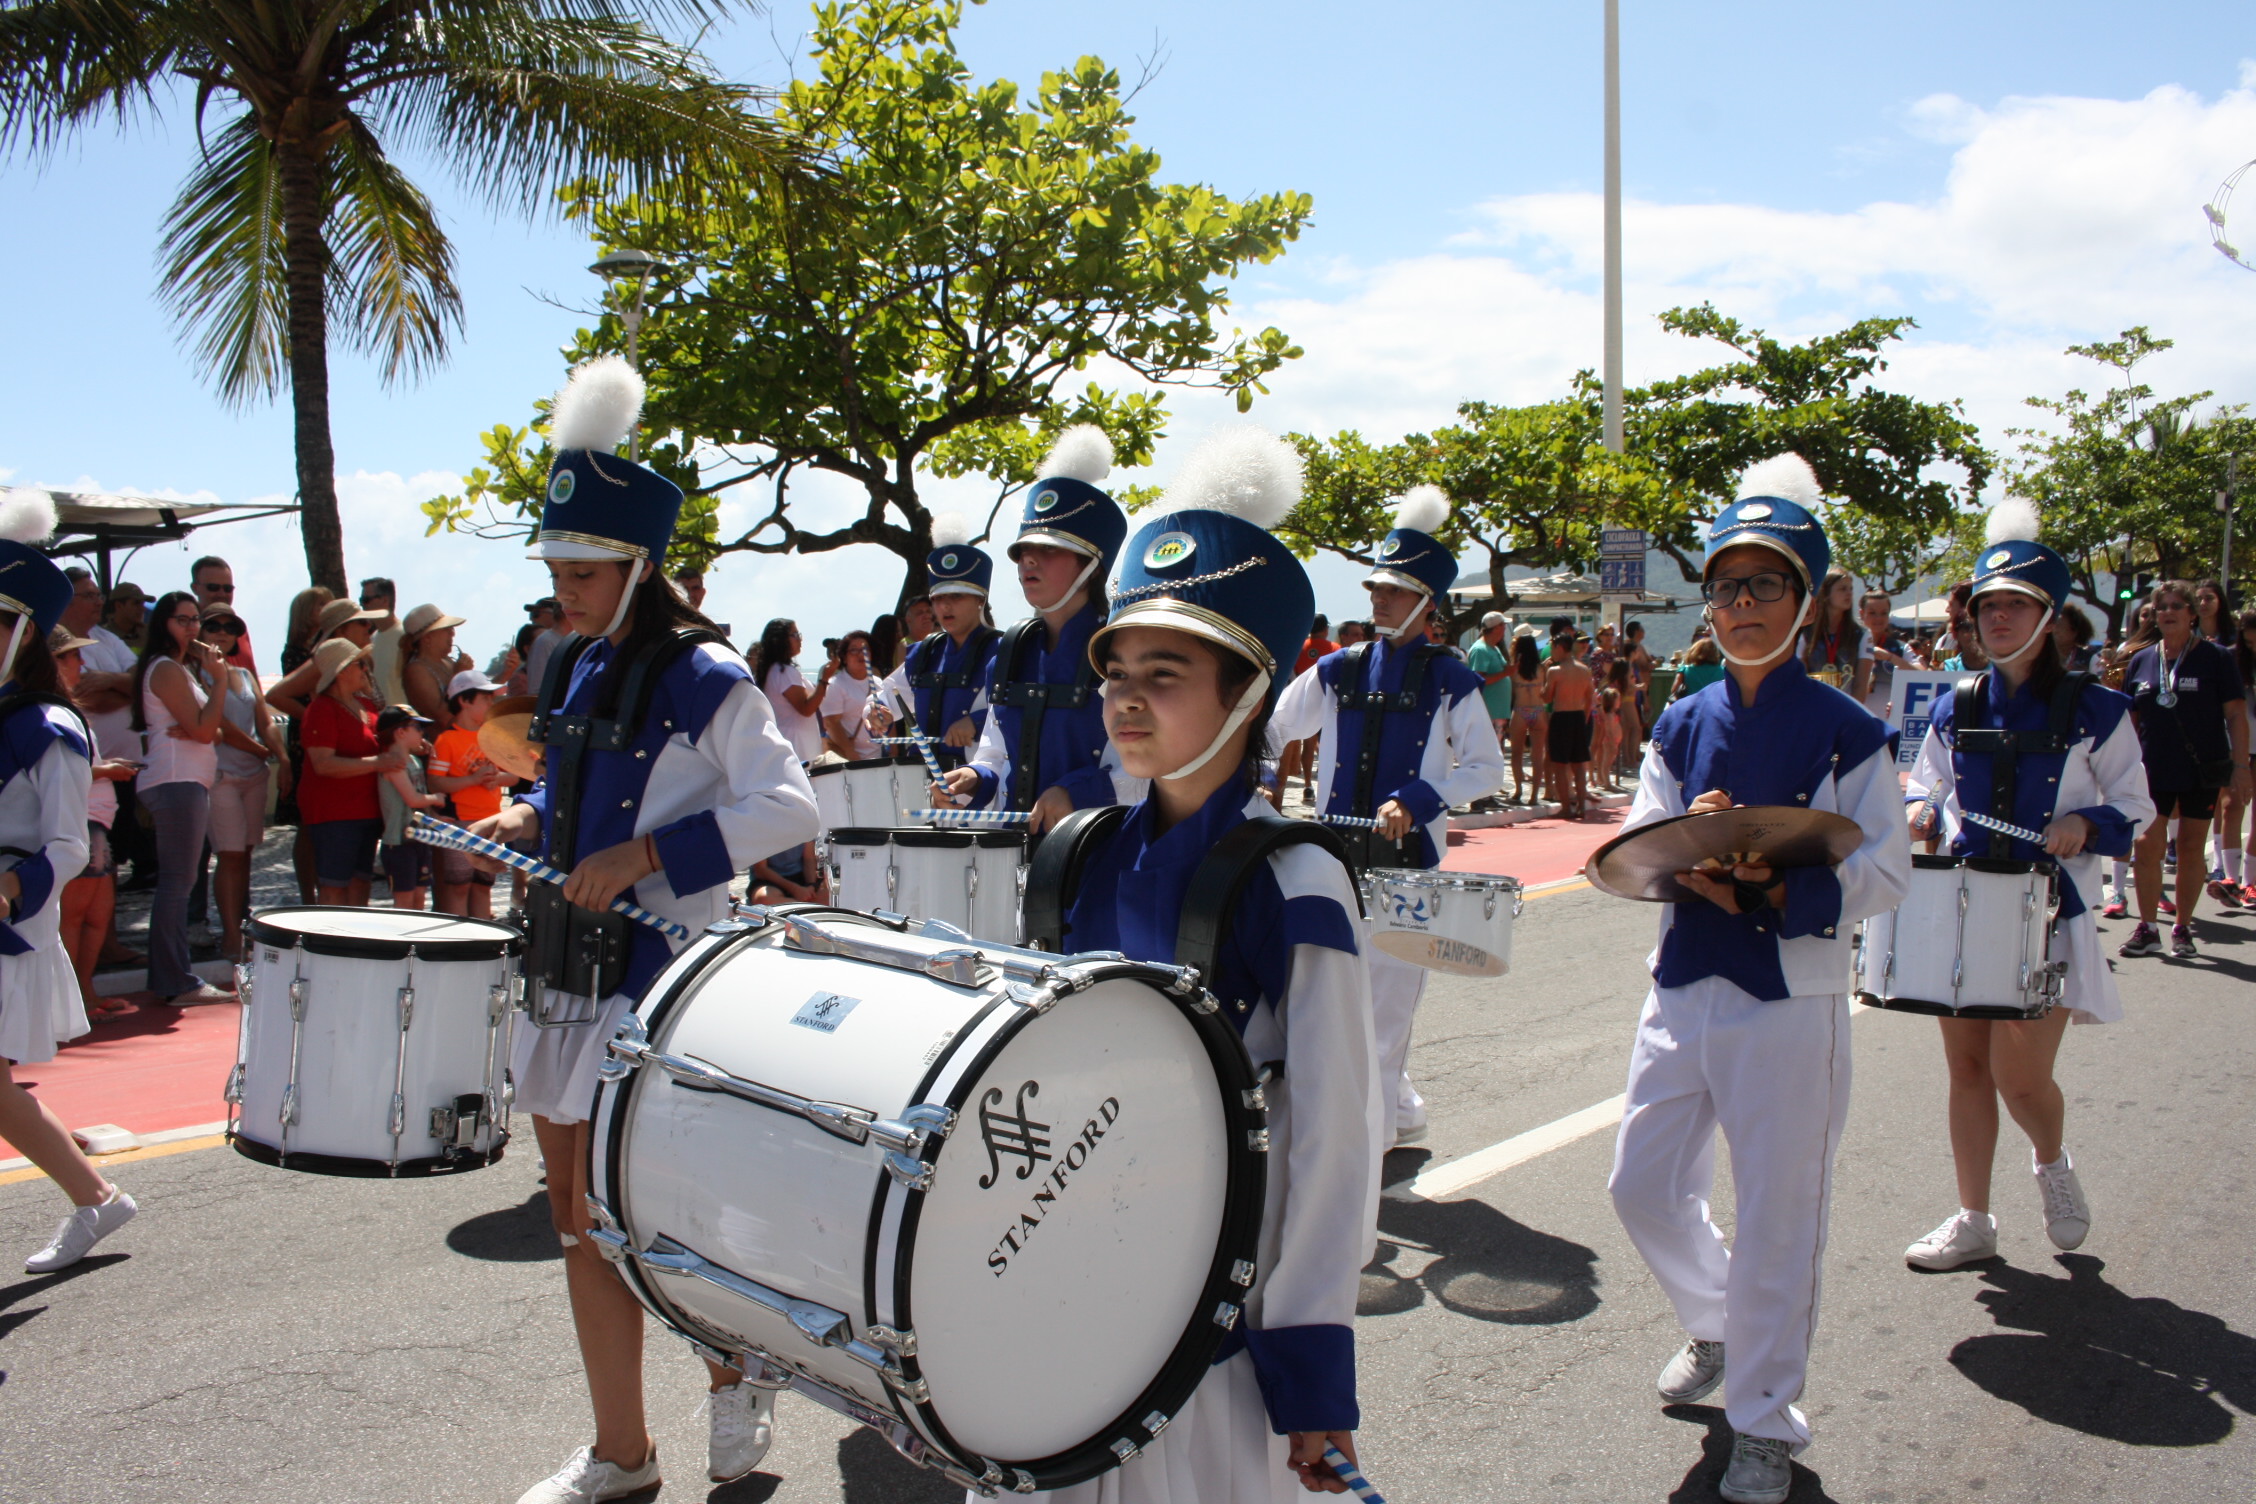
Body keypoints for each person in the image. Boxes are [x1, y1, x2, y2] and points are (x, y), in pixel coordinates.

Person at [471, 357, 819, 1504]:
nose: (564, 589)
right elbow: (564, 793)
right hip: (572, 973)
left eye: (584, 569)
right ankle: (623, 1449)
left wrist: (647, 855)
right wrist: (517, 816)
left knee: (663, 1219)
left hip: (667, 980)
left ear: (638, 567)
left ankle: (733, 1365)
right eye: (558, 567)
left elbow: (787, 806)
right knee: (579, 1223)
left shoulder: (707, 674)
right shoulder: (568, 665)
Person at [1050, 427, 1376, 1502]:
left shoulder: (1298, 882)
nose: (1128, 698)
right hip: (1067, 1290)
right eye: (1120, 672)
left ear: (1248, 696)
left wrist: (1313, 1368)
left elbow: (1334, 1140)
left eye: (1167, 673)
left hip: (1218, 1321)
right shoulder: (1078, 854)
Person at [1606, 454, 1910, 1504]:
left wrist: (1775, 890)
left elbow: (1886, 868)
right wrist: (1691, 846)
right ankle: (1720, 1324)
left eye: (1763, 585)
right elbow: (1641, 834)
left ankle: (1767, 1419)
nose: (1738, 606)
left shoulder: (1847, 726)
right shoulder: (1681, 717)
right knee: (1640, 1183)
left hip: (1794, 991)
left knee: (1782, 1211)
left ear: (1806, 597)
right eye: (1727, 586)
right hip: (1685, 974)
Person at [1900, 499, 2154, 1271]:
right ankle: (1974, 1218)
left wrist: (2090, 824)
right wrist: (1918, 811)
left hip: (2048, 909)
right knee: (1967, 1069)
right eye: (1987, 605)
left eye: (2016, 605)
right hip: (1966, 904)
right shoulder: (1958, 703)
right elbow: (1925, 784)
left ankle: (2051, 1164)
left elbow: (2136, 808)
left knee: (2020, 1075)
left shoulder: (2100, 709)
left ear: (2052, 618)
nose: (1998, 618)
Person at [1272, 483, 1504, 1151]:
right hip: (1331, 862)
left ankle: (1360, 1158)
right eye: (1376, 587)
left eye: (1395, 591)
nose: (1378, 598)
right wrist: (1260, 777)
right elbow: (1273, 728)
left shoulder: (1450, 678)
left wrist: (1420, 798)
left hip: (1407, 872)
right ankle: (1396, 1115)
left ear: (1427, 603)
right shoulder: (1337, 670)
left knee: (1385, 1014)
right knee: (1328, 1005)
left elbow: (1485, 770)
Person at [0, 500, 139, 1274]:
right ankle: (95, 1197)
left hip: (8, 921)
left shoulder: (50, 727)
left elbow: (63, 842)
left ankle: (96, 1198)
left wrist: (9, 893)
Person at [938, 426, 1137, 830]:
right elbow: (997, 754)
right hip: (1014, 854)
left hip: (1098, 849)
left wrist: (1077, 792)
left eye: (1048, 550)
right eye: (1024, 552)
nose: (1029, 561)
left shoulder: (1124, 653)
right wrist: (976, 776)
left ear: (1090, 566)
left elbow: (1151, 772)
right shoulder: (1011, 651)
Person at [2116, 580, 2251, 958]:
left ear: (2192, 614)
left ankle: (2182, 927)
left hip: (2200, 768)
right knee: (2146, 846)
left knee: (2191, 848)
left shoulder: (2216, 658)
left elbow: (2236, 715)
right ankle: (2147, 927)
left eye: (2177, 606)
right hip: (2152, 768)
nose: (2168, 613)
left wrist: (2240, 766)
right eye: (2162, 607)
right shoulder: (2142, 659)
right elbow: (2132, 720)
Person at [130, 590, 234, 1006]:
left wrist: (201, 724)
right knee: (177, 882)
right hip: (177, 781)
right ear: (164, 624)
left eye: (196, 620)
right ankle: (176, 981)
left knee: (180, 880)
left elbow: (214, 730)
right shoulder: (168, 669)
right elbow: (208, 731)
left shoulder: (178, 669)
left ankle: (172, 977)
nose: (192, 627)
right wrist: (221, 682)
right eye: (182, 619)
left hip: (184, 779)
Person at [50, 627, 135, 1018]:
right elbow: (62, 771)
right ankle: (70, 999)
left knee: (97, 915)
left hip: (96, 820)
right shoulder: (51, 710)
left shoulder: (68, 707)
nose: (80, 663)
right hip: (81, 820)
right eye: (71, 656)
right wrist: (107, 772)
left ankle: (82, 992)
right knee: (76, 915)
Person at [874, 513, 998, 773]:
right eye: (938, 597)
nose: (945, 605)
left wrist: (975, 721)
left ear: (979, 600)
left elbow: (1025, 713)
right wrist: (878, 713)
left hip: (983, 784)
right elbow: (887, 696)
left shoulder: (1005, 650)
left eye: (956, 596)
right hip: (923, 781)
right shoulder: (925, 652)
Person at [202, 603, 287, 961]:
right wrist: (258, 749)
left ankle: (240, 926)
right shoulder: (195, 674)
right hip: (221, 774)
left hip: (254, 775)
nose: (223, 631)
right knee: (230, 855)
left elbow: (264, 719)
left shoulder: (246, 675)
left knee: (246, 854)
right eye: (214, 625)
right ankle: (230, 936)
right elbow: (221, 726)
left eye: (231, 626)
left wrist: (281, 757)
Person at [297, 639, 391, 908]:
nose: (366, 669)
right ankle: (330, 942)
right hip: (333, 814)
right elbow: (323, 764)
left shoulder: (367, 707)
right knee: (333, 885)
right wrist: (377, 762)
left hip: (366, 810)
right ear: (341, 671)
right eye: (359, 663)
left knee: (361, 881)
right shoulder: (321, 709)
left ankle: (357, 943)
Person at [427, 670, 512, 918]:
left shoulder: (493, 737)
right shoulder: (447, 740)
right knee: (459, 886)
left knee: (483, 885)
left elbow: (514, 776)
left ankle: (484, 943)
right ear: (464, 701)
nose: (491, 704)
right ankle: (458, 944)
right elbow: (435, 782)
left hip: (492, 820)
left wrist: (494, 778)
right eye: (486, 698)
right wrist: (473, 779)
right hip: (459, 823)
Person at [375, 706, 445, 911]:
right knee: (404, 903)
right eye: (418, 727)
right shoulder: (393, 763)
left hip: (418, 838)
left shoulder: (412, 760)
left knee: (419, 900)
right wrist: (436, 798)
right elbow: (413, 799)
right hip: (398, 843)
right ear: (401, 732)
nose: (422, 733)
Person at [752, 619, 827, 764]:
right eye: (795, 634)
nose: (800, 639)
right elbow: (806, 708)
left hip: (789, 742)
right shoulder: (784, 672)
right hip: (797, 746)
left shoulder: (772, 670)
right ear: (781, 640)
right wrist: (824, 679)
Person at [1542, 628, 1596, 818]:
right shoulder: (1583, 669)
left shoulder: (1555, 671)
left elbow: (1547, 697)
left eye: (1553, 647)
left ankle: (1566, 807)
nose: (1552, 651)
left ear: (1559, 647)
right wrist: (1586, 717)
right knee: (1578, 764)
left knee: (1559, 764)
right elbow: (1590, 698)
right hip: (1579, 716)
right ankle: (1581, 805)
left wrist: (1543, 675)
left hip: (1562, 717)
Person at [1800, 566, 1867, 701]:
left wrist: (1853, 718)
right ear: (1825, 593)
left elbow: (1861, 685)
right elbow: (1799, 679)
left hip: (1846, 712)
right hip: (1810, 708)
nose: (1849, 593)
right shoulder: (1804, 631)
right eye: (1842, 589)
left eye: (1850, 588)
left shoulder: (1861, 634)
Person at [400, 603, 470, 732]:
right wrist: (458, 676)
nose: (452, 633)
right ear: (427, 638)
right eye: (445, 629)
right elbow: (443, 718)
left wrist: (505, 673)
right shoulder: (416, 671)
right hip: (442, 747)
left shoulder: (448, 662)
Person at [818, 629, 882, 760]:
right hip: (847, 760)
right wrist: (850, 753)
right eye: (854, 650)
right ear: (844, 657)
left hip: (877, 757)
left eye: (865, 649)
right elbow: (831, 723)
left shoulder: (878, 683)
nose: (860, 654)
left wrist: (893, 750)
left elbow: (888, 715)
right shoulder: (835, 685)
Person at [188, 556, 256, 674]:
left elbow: (251, 677)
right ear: (195, 588)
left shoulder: (239, 630)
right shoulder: (188, 632)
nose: (221, 594)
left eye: (227, 588)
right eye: (213, 587)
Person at [1466, 611, 1513, 780]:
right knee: (1485, 755)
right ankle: (1479, 797)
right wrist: (1506, 673)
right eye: (1503, 625)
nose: (1505, 629)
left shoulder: (1493, 648)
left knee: (1494, 755)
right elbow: (1479, 679)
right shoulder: (1481, 649)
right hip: (1487, 713)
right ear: (1496, 628)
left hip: (1496, 713)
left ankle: (1488, 793)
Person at [1505, 624, 1548, 804]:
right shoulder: (1541, 668)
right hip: (1538, 711)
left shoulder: (1514, 669)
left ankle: (1518, 790)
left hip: (1520, 711)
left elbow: (1512, 694)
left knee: (1516, 754)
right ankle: (1534, 795)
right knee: (1538, 755)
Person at [1857, 590, 1911, 718]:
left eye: (1883, 613)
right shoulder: (1848, 647)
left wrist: (1890, 657)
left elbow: (1921, 675)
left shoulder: (1900, 648)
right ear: (1861, 613)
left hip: (1889, 724)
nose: (1878, 618)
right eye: (1872, 613)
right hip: (1855, 720)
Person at [359, 577, 408, 705]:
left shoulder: (406, 636)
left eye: (366, 600)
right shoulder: (370, 640)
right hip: (383, 721)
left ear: (385, 600)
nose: (362, 605)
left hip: (407, 720)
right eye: (361, 600)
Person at [747, 839, 824, 905]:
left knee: (829, 895)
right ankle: (806, 908)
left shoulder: (804, 825)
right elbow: (761, 870)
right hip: (769, 881)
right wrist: (795, 890)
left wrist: (811, 886)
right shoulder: (760, 831)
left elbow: (808, 859)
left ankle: (796, 907)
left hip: (801, 876)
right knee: (763, 899)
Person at [279, 585, 334, 676]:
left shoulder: (331, 640)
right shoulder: (292, 655)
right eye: (322, 604)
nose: (329, 608)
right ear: (306, 611)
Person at [103, 582, 150, 652]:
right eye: (136, 603)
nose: (143, 609)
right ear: (119, 606)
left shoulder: (150, 634)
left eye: (142, 604)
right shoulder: (103, 637)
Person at [2193, 577, 2233, 645]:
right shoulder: (2185, 637)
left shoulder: (2234, 637)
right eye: (2198, 599)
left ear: (2220, 601)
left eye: (2209, 598)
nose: (2202, 603)